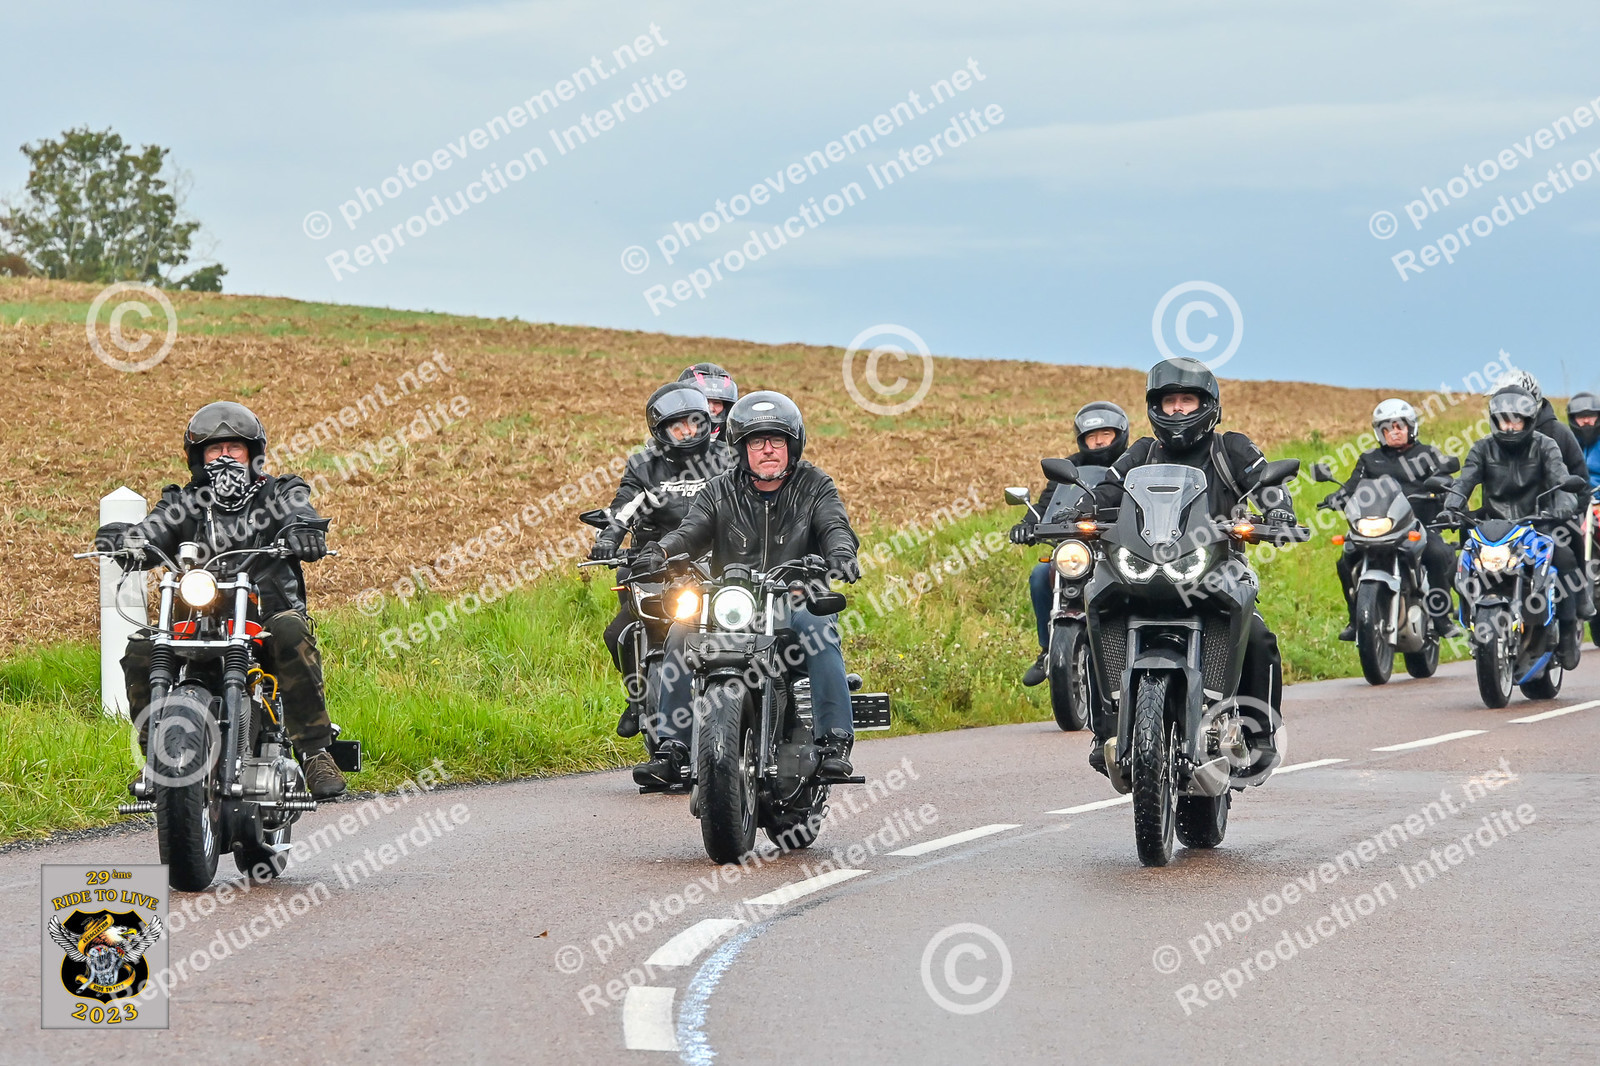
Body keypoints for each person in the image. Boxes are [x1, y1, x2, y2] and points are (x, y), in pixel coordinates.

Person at [94, 402, 345, 799]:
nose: (225, 456)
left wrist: (304, 530)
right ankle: (157, 755)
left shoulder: (279, 493)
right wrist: (131, 540)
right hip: (197, 618)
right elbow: (156, 528)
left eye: (234, 448)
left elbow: (299, 510)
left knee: (291, 630)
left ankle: (315, 751)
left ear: (252, 453)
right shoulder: (184, 502)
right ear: (199, 458)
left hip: (266, 614)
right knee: (142, 649)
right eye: (215, 449)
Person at [632, 391, 861, 787]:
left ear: (792, 445)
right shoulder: (719, 490)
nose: (767, 449)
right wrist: (660, 551)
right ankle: (672, 747)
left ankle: (834, 742)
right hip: (730, 600)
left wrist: (841, 555)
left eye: (776, 440)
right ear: (741, 449)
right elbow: (690, 532)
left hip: (792, 597)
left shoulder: (815, 485)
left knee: (819, 628)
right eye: (756, 442)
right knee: (681, 630)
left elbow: (835, 527)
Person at [1080, 357, 1297, 774]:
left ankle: (1260, 734)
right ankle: (1104, 728)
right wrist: (1079, 510)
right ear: (1155, 408)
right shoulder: (1141, 453)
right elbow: (1106, 488)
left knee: (1258, 638)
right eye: (1169, 401)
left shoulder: (1231, 449)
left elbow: (1264, 481)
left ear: (1207, 405)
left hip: (1217, 567)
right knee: (1097, 621)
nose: (1177, 409)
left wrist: (1279, 509)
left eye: (1187, 400)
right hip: (1144, 564)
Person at [591, 383, 732, 738]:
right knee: (617, 633)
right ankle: (637, 697)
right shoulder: (644, 465)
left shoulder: (728, 458)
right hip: (655, 565)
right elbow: (624, 507)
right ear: (660, 430)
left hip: (714, 564)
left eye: (694, 422)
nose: (688, 431)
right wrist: (607, 539)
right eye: (677, 425)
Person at [1440, 387, 1583, 668]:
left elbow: (1561, 479)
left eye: (1516, 420)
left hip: (1536, 522)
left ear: (1528, 420)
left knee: (1564, 557)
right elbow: (1464, 481)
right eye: (1504, 419)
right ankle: (1469, 615)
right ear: (1495, 420)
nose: (1510, 426)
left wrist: (1563, 505)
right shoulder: (1482, 448)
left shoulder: (1545, 446)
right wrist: (1451, 506)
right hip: (1492, 526)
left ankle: (1567, 630)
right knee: (1456, 562)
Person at [1009, 401, 1130, 686]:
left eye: (1105, 434)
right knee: (1041, 575)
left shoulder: (1133, 463)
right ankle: (1047, 649)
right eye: (1091, 436)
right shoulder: (1069, 467)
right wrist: (1027, 524)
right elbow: (1046, 503)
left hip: (1121, 547)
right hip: (1078, 550)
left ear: (1120, 435)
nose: (1098, 441)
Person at [1321, 399, 1460, 641]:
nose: (1394, 432)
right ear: (1379, 432)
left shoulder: (1427, 455)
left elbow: (1445, 479)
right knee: (1345, 560)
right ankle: (1356, 619)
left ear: (1410, 427)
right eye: (1387, 428)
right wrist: (1336, 496)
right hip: (1377, 524)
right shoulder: (1369, 459)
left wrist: (1445, 493)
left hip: (1418, 525)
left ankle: (1441, 618)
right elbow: (1352, 486)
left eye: (1398, 426)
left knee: (1438, 554)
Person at [678, 362, 739, 437]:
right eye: (705, 401)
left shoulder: (735, 437)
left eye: (717, 403)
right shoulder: (669, 433)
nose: (710, 408)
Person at [1567, 391, 1600, 491]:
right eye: (1581, 416)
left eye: (1591, 415)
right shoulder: (1567, 443)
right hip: (1575, 496)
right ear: (1573, 419)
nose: (1586, 420)